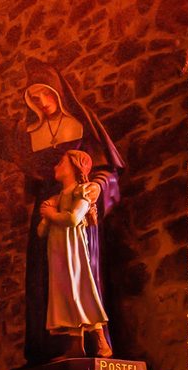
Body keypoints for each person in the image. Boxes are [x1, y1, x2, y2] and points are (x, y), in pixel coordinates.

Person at [0, 58, 125, 363]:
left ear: (58, 93)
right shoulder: (30, 134)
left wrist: (96, 188)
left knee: (82, 276)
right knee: (48, 279)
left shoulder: (81, 124)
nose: (42, 102)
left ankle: (97, 345)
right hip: (47, 212)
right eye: (34, 97)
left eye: (46, 94)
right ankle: (54, 348)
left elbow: (107, 171)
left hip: (79, 215)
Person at [37, 149, 110, 358]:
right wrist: (46, 217)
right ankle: (75, 347)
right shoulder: (58, 198)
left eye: (61, 162)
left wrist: (51, 214)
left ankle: (101, 342)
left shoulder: (82, 192)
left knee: (80, 291)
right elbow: (41, 231)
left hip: (74, 251)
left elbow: (73, 219)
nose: (55, 166)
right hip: (58, 253)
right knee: (66, 296)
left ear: (75, 167)